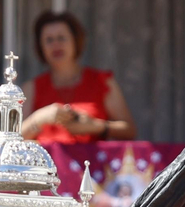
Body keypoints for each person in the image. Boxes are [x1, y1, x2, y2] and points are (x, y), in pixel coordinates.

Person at [19, 10, 137, 144]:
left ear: (75, 41)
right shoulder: (31, 88)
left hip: (92, 164)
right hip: (46, 165)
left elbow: (129, 131)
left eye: (62, 38)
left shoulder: (102, 82)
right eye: (49, 40)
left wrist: (96, 126)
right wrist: (38, 119)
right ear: (41, 47)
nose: (56, 45)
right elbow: (12, 141)